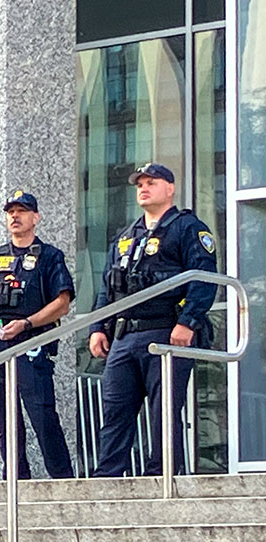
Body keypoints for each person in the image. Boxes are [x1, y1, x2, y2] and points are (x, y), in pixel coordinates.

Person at [89, 163, 218, 477]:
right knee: (115, 411)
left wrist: (187, 322)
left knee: (164, 412)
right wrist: (97, 328)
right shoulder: (125, 236)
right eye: (140, 184)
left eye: (152, 182)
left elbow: (204, 278)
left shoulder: (187, 228)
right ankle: (107, 477)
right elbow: (108, 286)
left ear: (170, 188)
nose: (143, 188)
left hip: (165, 332)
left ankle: (161, 476)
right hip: (123, 337)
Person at [0, 190, 75, 479]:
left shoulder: (49, 256)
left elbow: (62, 303)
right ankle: (14, 478)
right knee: (5, 419)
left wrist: (27, 323)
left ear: (35, 217)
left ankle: (62, 479)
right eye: (11, 211)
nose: (15, 216)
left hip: (31, 342)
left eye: (22, 211)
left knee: (42, 415)